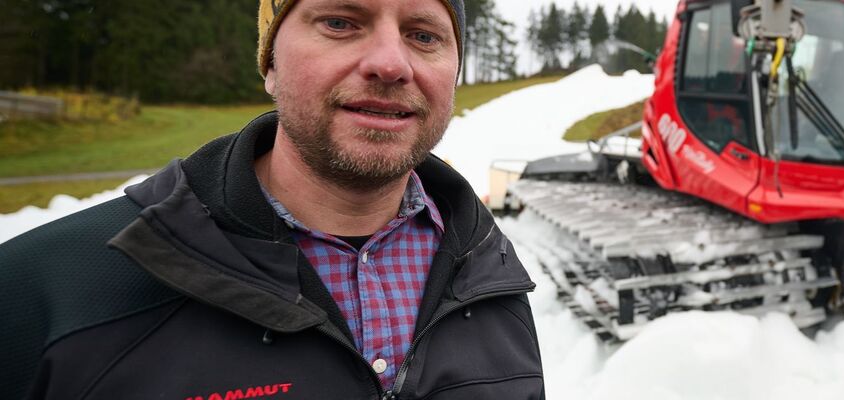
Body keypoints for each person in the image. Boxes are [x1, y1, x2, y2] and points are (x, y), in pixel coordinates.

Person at [0, 0, 544, 398]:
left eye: (424, 35)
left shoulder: (490, 276)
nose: (390, 63)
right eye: (339, 22)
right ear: (270, 62)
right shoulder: (47, 292)